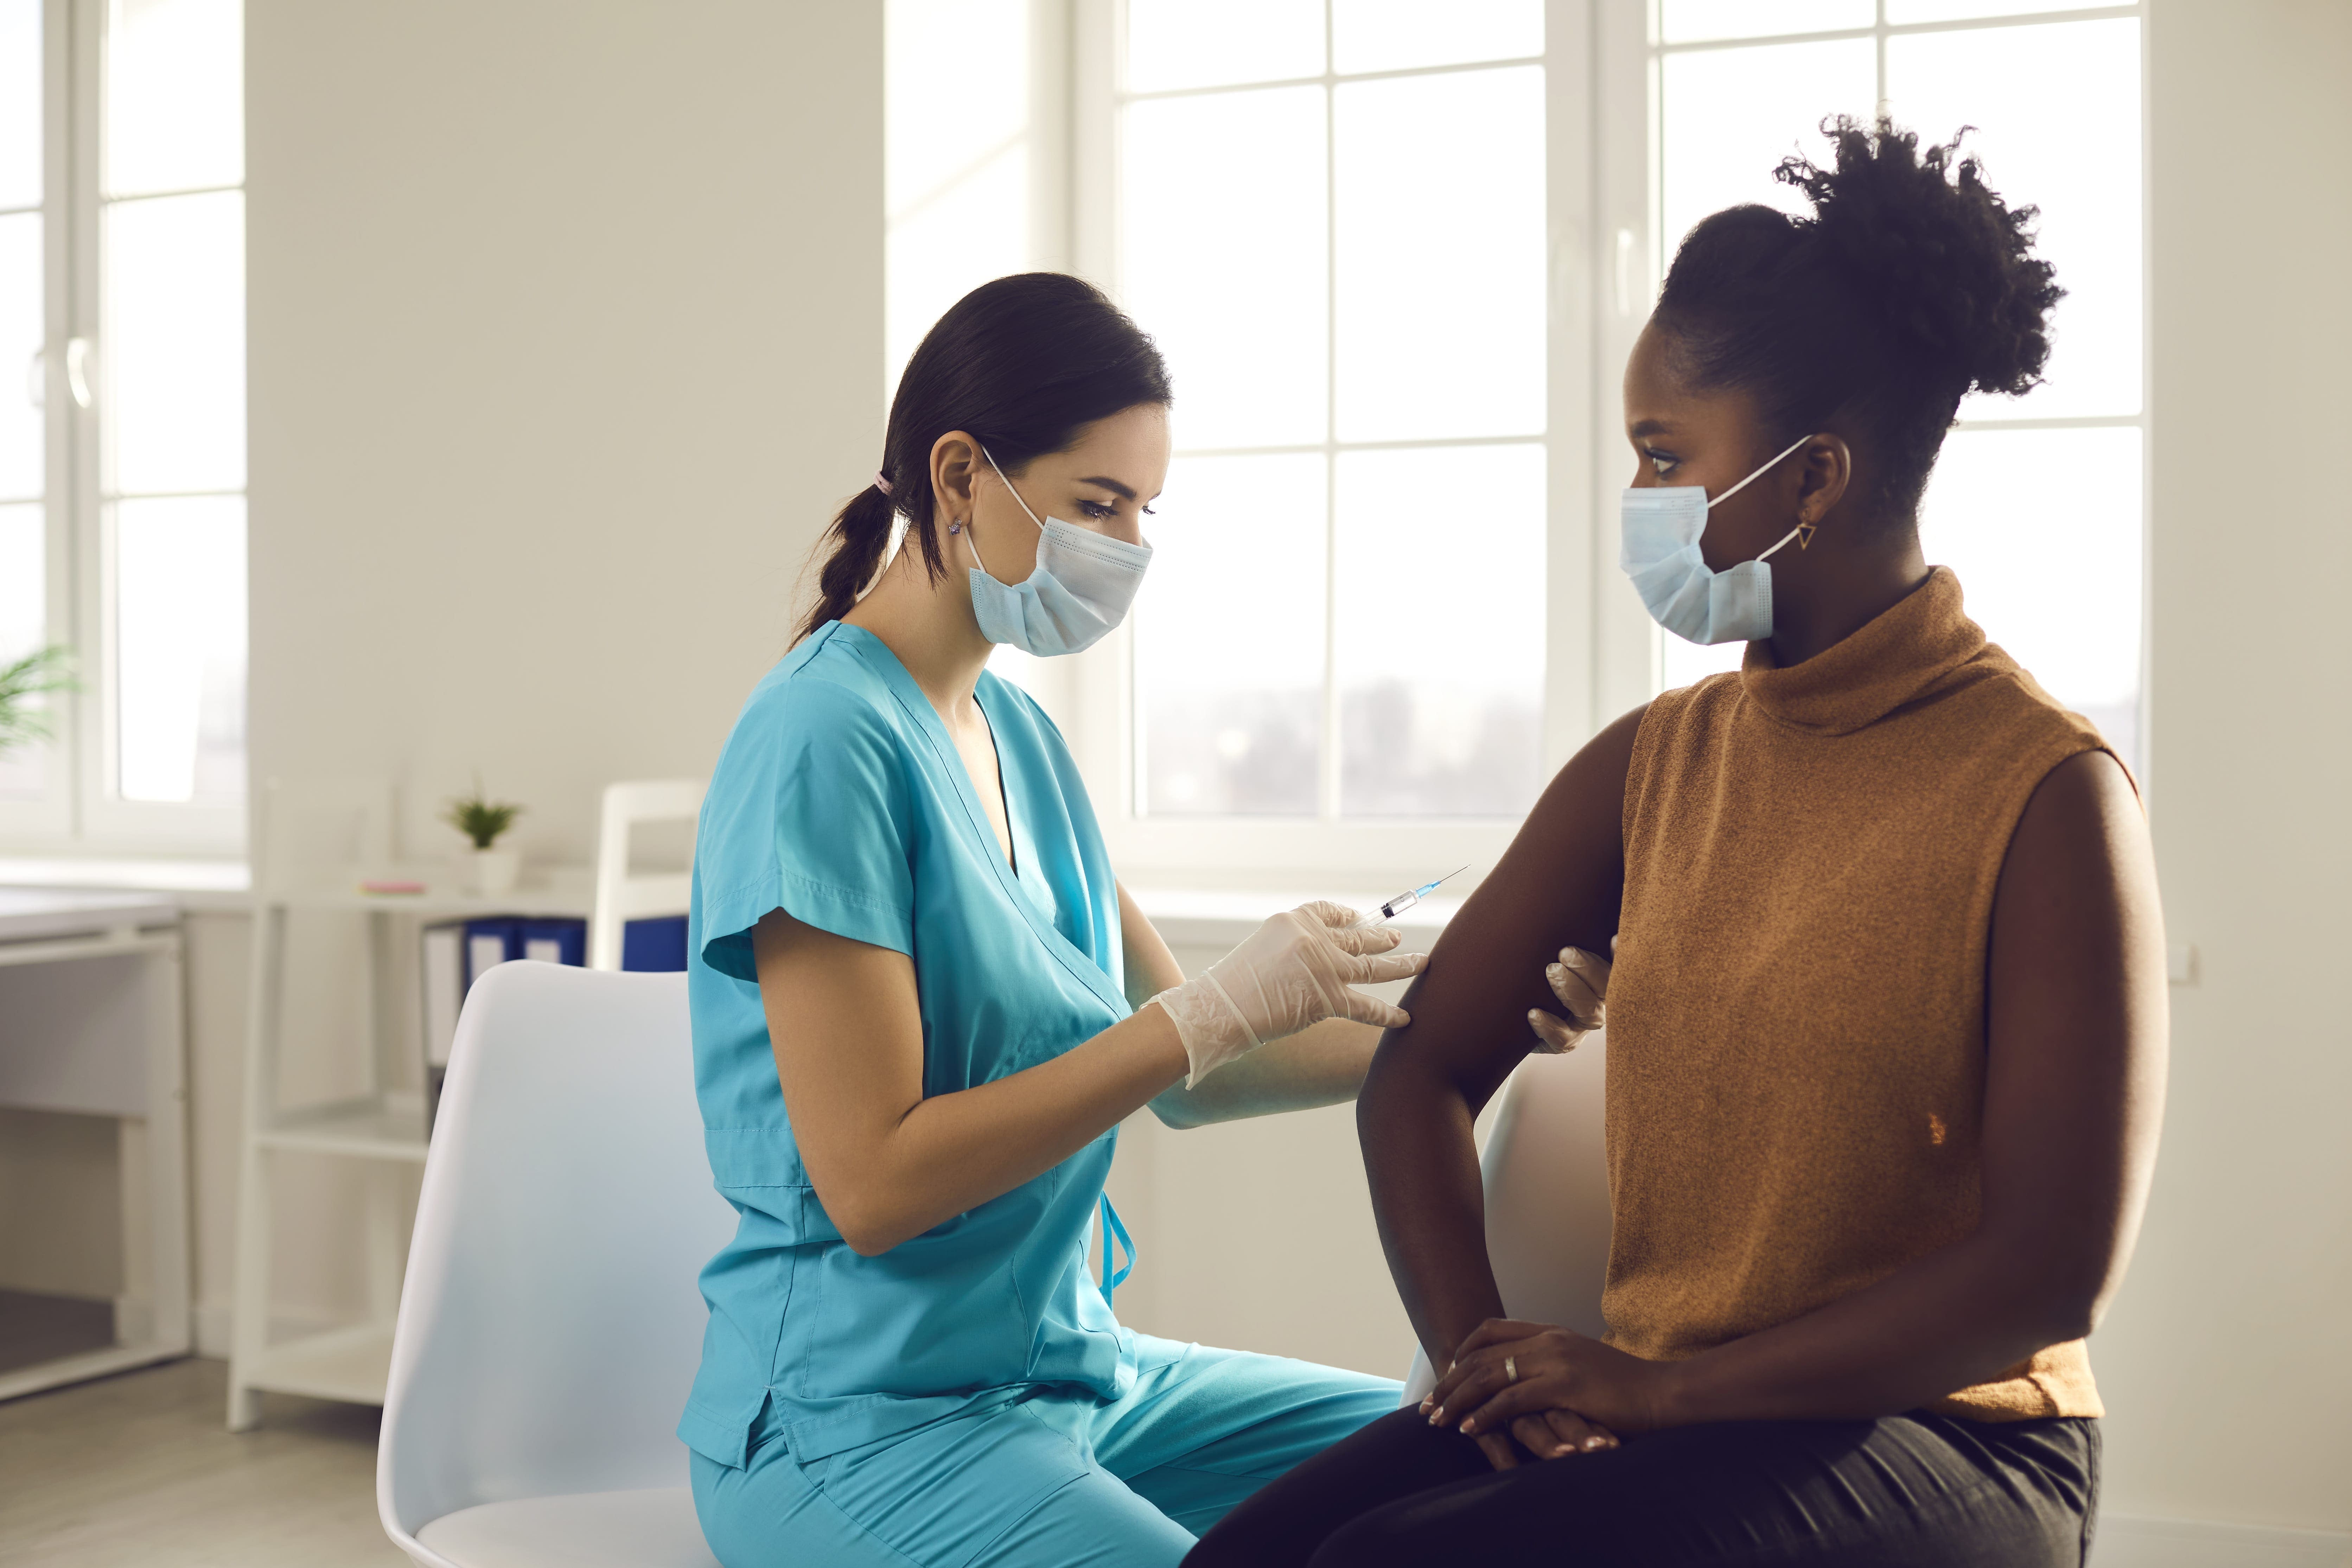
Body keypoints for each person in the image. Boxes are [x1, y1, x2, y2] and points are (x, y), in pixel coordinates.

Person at [1188, 118, 2167, 1567]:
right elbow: (1420, 1071)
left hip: (1954, 1439)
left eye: (1663, 455)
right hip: (1675, 1413)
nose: (1638, 499)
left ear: (1811, 478)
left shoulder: (2044, 792)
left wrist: (1664, 1389)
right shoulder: (1654, 765)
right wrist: (1484, 1369)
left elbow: (2049, 1270)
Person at [678, 272, 1422, 1568]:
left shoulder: (1019, 736)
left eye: (1145, 510)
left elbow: (1202, 1073)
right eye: (1098, 503)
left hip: (1076, 1378)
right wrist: (1200, 1013)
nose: (1128, 546)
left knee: (1458, 1466)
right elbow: (873, 1182)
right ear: (959, 476)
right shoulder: (819, 741)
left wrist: (1483, 1014)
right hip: (861, 1424)